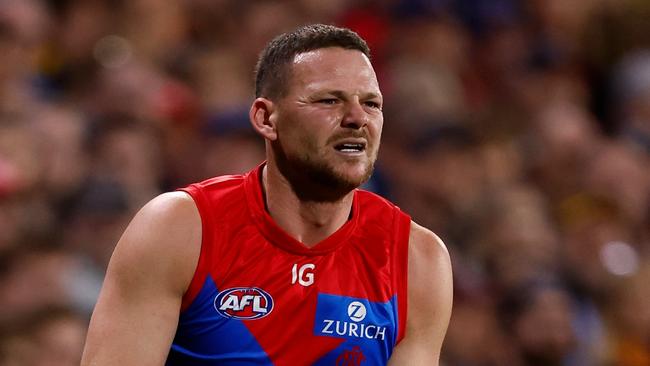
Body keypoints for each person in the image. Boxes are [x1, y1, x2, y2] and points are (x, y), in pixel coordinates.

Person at [81, 24, 453, 365]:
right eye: (329, 101)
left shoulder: (416, 260)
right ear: (265, 118)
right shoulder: (180, 229)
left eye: (371, 103)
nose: (358, 118)